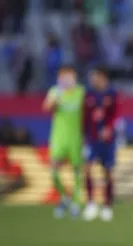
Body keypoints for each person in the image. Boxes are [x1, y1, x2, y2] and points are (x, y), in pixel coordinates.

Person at [43, 66, 85, 219]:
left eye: (71, 77)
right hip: (58, 137)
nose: (68, 80)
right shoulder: (55, 91)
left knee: (77, 169)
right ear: (60, 78)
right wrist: (57, 96)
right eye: (65, 77)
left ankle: (75, 202)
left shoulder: (81, 92)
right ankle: (64, 196)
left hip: (76, 137)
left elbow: (88, 112)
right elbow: (46, 108)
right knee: (53, 169)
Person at [82, 66, 120, 222]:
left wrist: (109, 129)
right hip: (92, 139)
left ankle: (107, 205)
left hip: (108, 141)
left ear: (103, 77)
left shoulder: (112, 94)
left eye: (95, 76)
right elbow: (85, 117)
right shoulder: (88, 94)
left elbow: (116, 115)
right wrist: (83, 136)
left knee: (108, 172)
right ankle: (90, 203)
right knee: (87, 168)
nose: (93, 79)